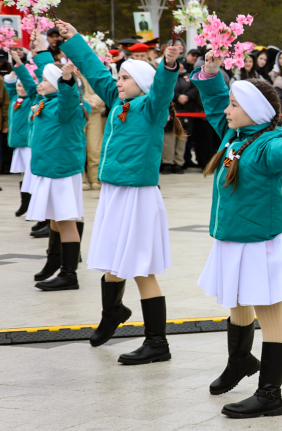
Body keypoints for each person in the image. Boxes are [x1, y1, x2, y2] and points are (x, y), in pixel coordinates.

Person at [191, 51, 282, 418]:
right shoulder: (236, 134)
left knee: (269, 313)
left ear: (254, 111)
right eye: (230, 104)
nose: (227, 110)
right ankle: (240, 361)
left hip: (259, 241)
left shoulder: (266, 142)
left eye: (235, 104)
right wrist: (212, 73)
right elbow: (215, 103)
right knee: (236, 301)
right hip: (232, 236)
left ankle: (270, 394)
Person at [57, 20, 182, 364]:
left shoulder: (151, 108)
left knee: (141, 268)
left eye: (125, 78)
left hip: (138, 196)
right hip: (114, 192)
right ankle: (112, 312)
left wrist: (169, 65)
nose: (118, 82)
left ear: (142, 85)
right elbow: (97, 73)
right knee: (112, 259)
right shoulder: (117, 103)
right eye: (120, 76)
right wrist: (74, 40)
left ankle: (157, 342)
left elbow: (163, 89)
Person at [21, 36, 90, 292]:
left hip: (60, 171)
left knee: (66, 220)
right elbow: (35, 82)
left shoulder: (65, 106)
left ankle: (69, 274)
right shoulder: (44, 102)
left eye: (46, 81)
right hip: (48, 169)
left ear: (58, 85)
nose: (40, 84)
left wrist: (68, 80)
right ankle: (55, 262)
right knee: (54, 219)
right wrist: (36, 55)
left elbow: (69, 97)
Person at [5, 55, 36, 216]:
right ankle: (25, 203)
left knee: (31, 175)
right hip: (19, 144)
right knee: (24, 174)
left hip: (28, 143)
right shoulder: (15, 98)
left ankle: (31, 205)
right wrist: (13, 71)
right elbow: (9, 83)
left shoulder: (31, 100)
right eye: (19, 86)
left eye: (23, 86)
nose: (20, 88)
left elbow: (30, 87)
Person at [162, 65, 195, 175]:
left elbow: (195, 89)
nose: (180, 67)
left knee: (182, 138)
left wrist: (187, 96)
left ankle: (179, 162)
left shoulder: (188, 77)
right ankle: (167, 163)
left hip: (186, 110)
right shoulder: (167, 76)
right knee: (169, 138)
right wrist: (177, 97)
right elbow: (164, 89)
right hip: (171, 109)